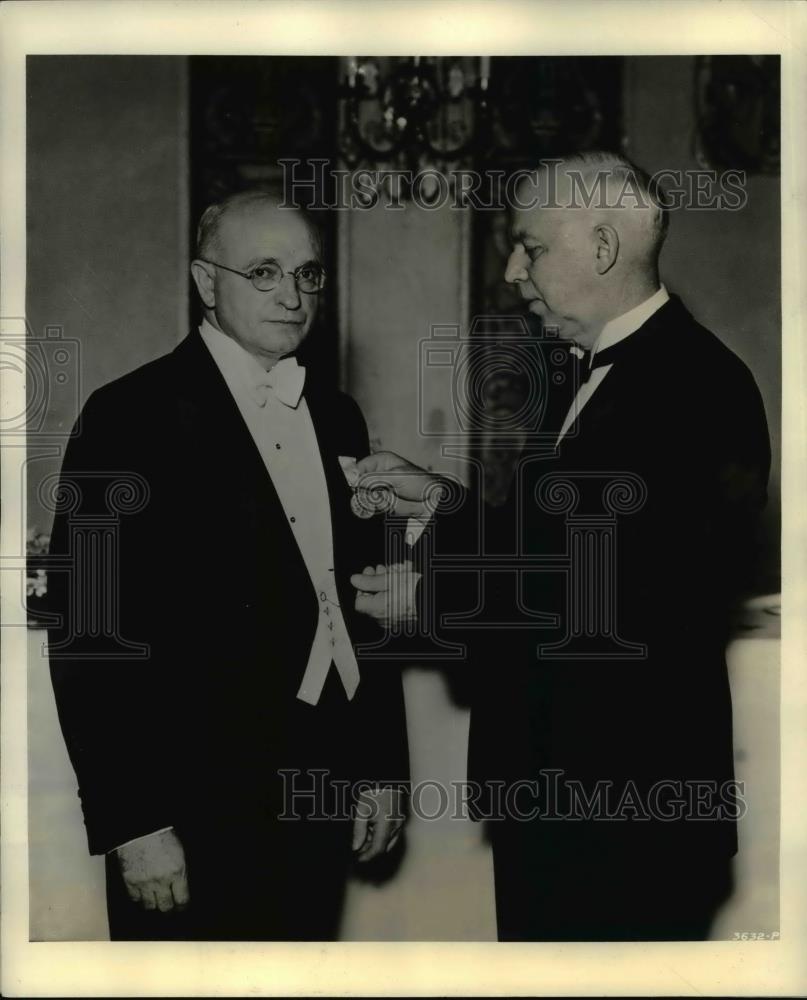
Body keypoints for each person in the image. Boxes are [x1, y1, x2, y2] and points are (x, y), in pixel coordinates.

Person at [350, 152, 772, 941]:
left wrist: (433, 597)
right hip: (573, 801)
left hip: (623, 814)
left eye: (530, 246)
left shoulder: (693, 387)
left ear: (603, 247)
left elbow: (613, 590)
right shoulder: (607, 376)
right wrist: (440, 500)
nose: (512, 270)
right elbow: (561, 543)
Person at [47, 191, 409, 941]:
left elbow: (360, 604)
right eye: (264, 272)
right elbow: (88, 630)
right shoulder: (128, 416)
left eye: (308, 275)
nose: (292, 295)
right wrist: (133, 823)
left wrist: (379, 768)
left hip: (316, 791)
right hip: (186, 803)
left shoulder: (339, 415)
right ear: (206, 283)